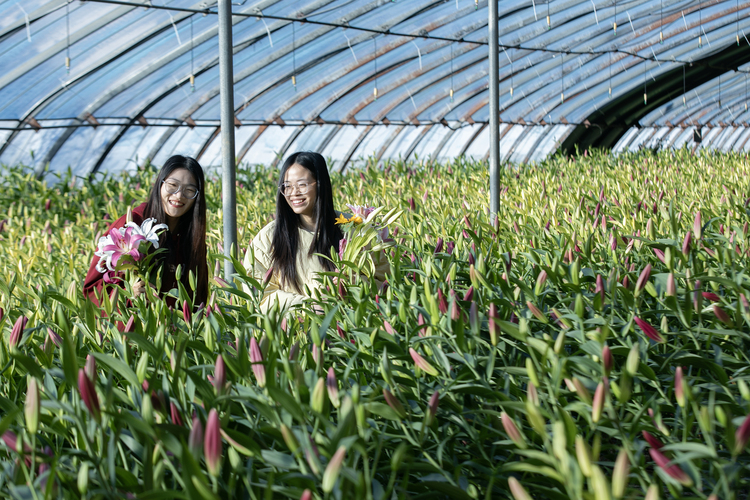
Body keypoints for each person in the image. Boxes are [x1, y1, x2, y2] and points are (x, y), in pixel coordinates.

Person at [243, 151, 387, 312]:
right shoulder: (269, 237)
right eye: (287, 186)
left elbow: (382, 282)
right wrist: (309, 306)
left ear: (320, 184)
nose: (294, 193)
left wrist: (347, 287)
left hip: (347, 329)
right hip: (292, 333)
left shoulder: (354, 228)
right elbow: (257, 294)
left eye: (302, 184)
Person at [83, 155, 209, 309]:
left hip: (173, 329)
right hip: (132, 327)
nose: (179, 195)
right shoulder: (131, 224)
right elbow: (93, 288)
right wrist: (129, 294)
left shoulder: (192, 236)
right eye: (172, 185)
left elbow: (199, 298)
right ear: (160, 185)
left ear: (197, 196)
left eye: (189, 190)